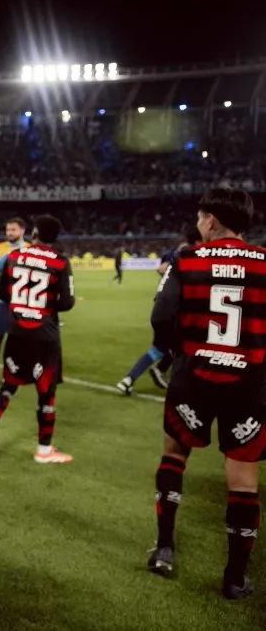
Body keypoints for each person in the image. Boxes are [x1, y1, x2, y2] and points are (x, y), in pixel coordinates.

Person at [146, 188, 264, 600]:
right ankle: (234, 577)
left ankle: (164, 548)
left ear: (211, 220)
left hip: (193, 376)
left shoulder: (186, 258)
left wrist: (180, 352)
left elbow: (161, 315)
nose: (198, 224)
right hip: (249, 384)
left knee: (175, 454)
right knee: (243, 478)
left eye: (200, 218)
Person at [0, 215, 75, 464]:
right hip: (45, 335)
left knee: (8, 386)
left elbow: (2, 294)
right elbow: (66, 303)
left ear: (34, 233)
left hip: (17, 332)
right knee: (46, 394)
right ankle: (44, 451)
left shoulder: (14, 256)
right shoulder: (61, 262)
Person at [116, 226, 202, 396]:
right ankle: (179, 386)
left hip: (161, 307)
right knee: (187, 347)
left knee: (157, 350)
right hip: (175, 311)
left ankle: (128, 380)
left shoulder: (175, 253)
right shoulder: (193, 255)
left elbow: (161, 269)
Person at [0, 217, 29, 386]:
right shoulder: (0, 248)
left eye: (13, 230)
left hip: (22, 302)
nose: (9, 233)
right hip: (1, 301)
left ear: (22, 231)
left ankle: (13, 371)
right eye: (8, 230)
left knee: (17, 338)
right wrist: (9, 257)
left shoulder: (30, 249)